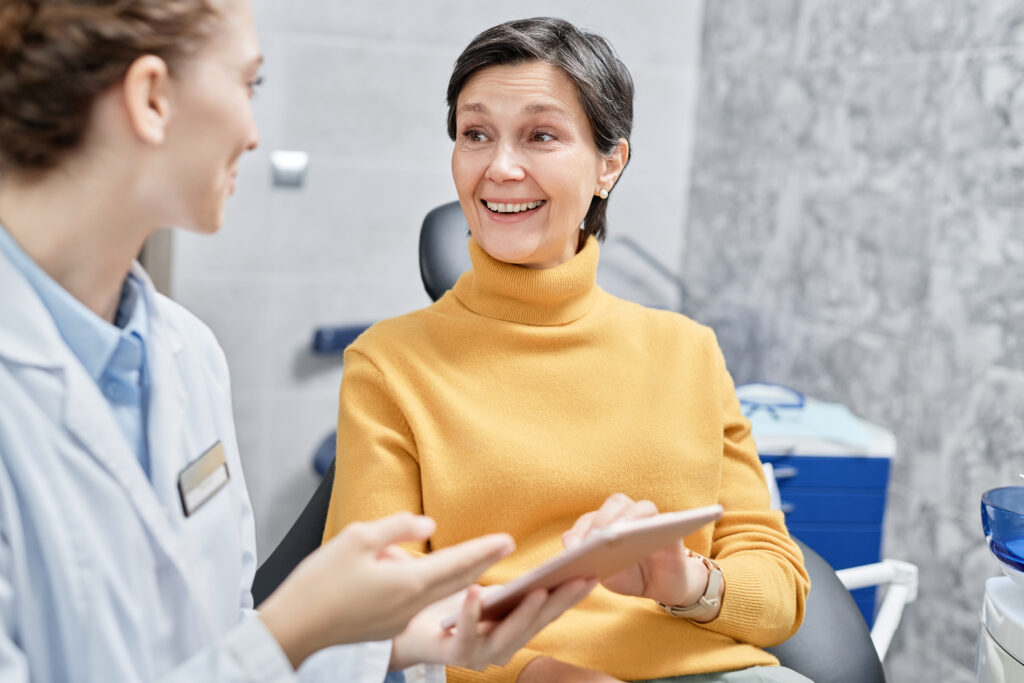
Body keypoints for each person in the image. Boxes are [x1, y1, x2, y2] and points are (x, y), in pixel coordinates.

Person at [0, 2, 596, 681]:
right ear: (152, 98)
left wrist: (394, 644)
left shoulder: (187, 355)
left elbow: (221, 640)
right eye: (247, 84)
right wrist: (296, 628)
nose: (254, 134)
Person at [324, 17, 811, 683]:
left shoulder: (687, 351)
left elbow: (780, 587)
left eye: (541, 135)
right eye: (476, 134)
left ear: (610, 164)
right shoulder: (391, 364)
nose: (500, 167)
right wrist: (534, 671)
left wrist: (686, 580)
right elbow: (371, 614)